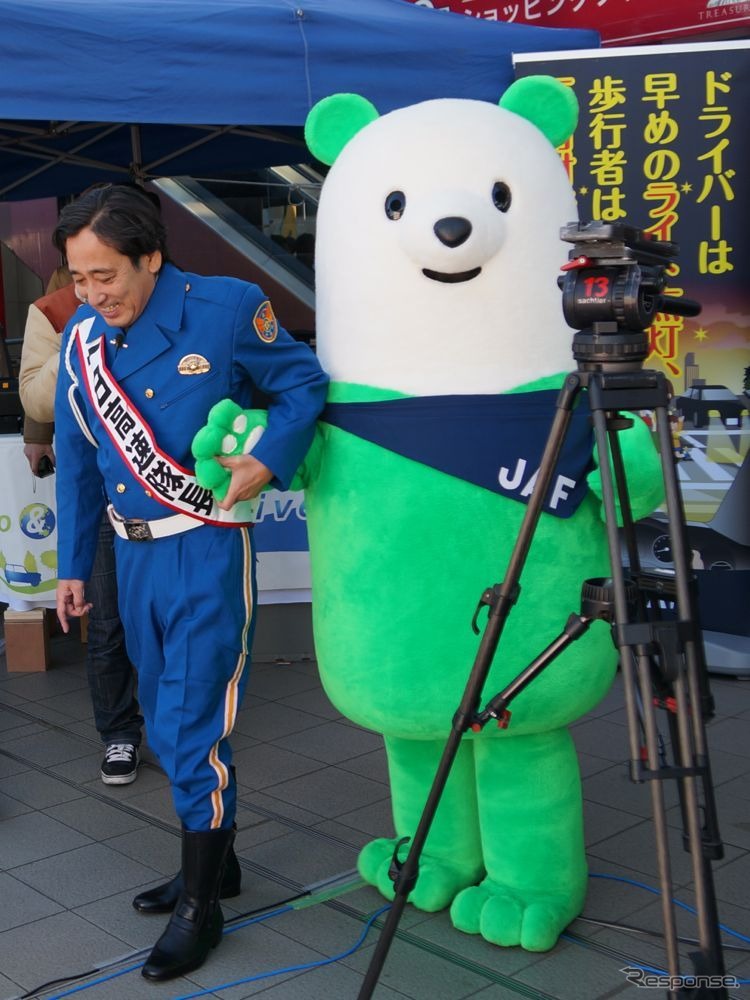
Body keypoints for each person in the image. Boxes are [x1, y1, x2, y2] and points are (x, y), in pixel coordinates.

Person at [52, 184, 328, 981]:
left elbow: (302, 385)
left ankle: (200, 907)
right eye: (78, 278)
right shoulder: (80, 341)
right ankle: (219, 862)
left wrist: (272, 455)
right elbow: (77, 461)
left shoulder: (229, 307)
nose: (92, 294)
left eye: (106, 276)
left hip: (206, 544)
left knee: (184, 721)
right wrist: (73, 568)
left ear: (151, 258)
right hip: (129, 555)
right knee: (164, 708)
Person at [18, 279, 145, 785]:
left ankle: (183, 723)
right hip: (99, 490)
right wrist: (77, 336)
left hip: (160, 497)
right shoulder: (54, 311)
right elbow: (37, 398)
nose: (92, 284)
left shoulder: (167, 302)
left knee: (165, 621)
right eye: (79, 271)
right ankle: (119, 733)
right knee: (106, 619)